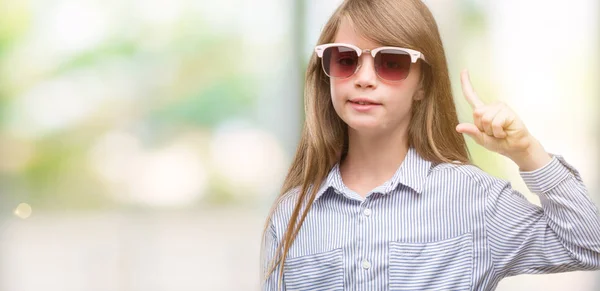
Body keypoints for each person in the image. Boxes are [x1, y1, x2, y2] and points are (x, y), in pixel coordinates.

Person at [260, 0, 600, 290]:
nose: (363, 78)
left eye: (390, 62)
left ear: (423, 84)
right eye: (346, 59)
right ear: (326, 72)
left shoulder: (473, 198)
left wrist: (526, 153)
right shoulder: (291, 215)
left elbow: (590, 246)